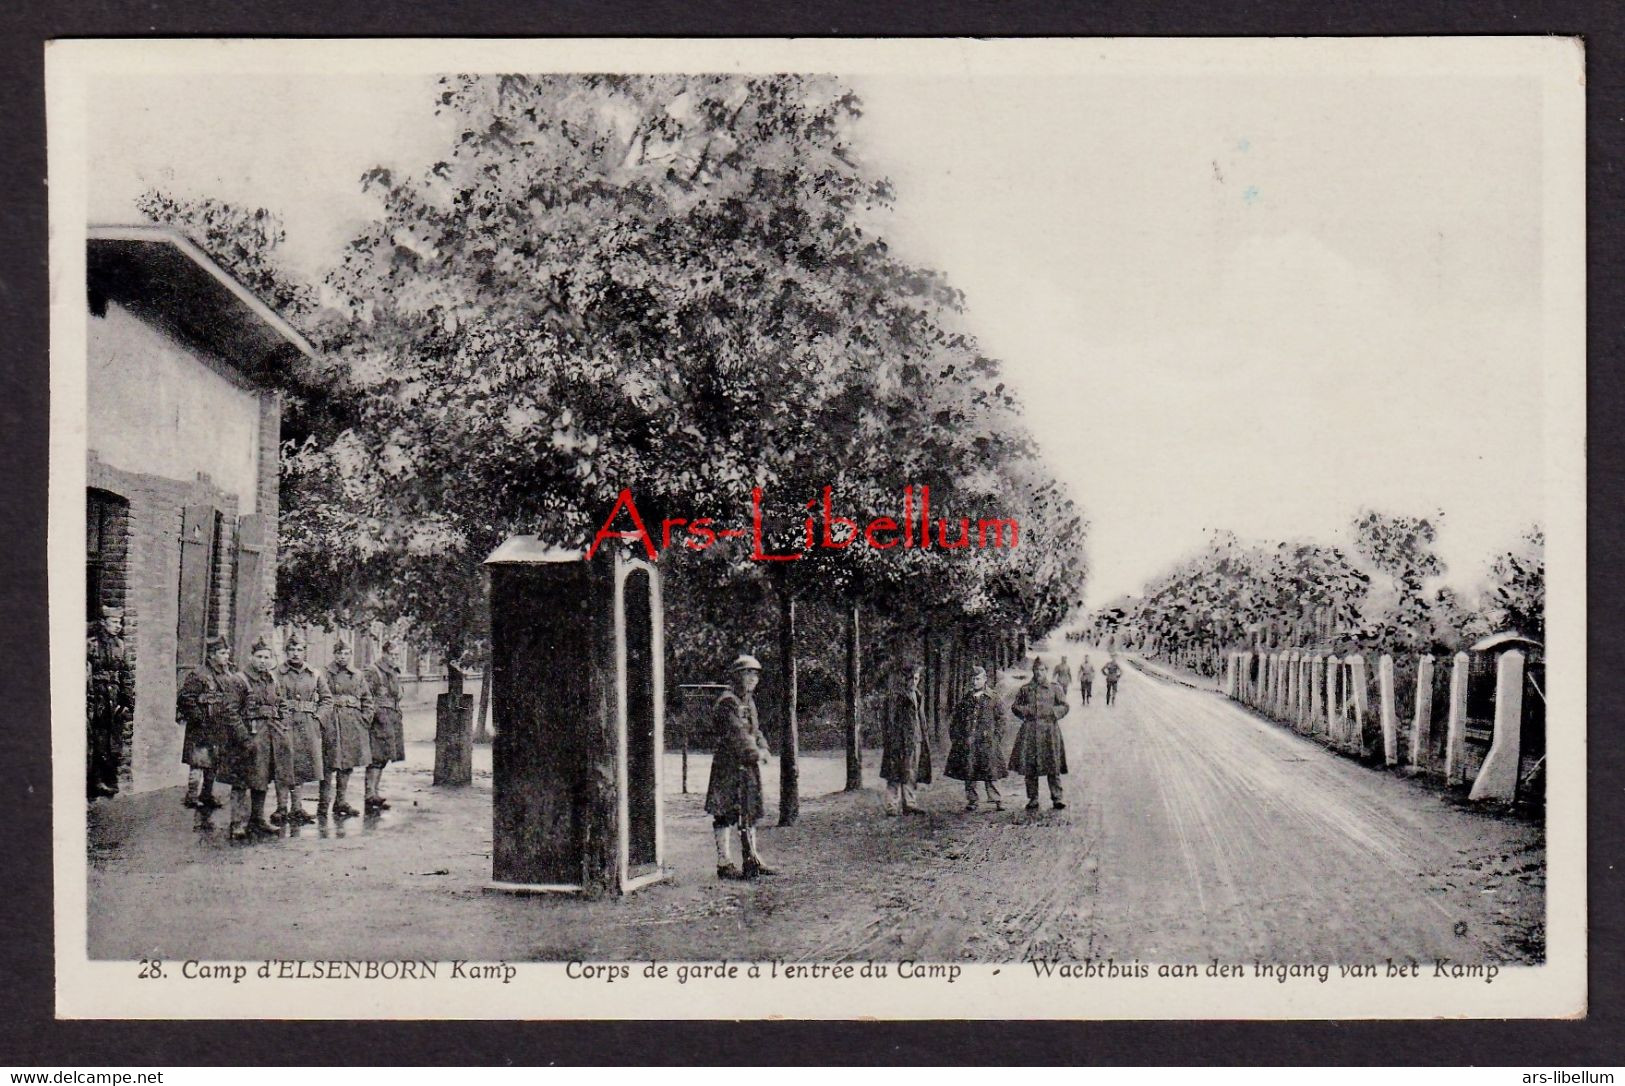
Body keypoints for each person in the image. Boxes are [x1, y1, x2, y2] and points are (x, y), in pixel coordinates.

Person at [703, 654, 775, 880]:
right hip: (729, 766)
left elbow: (755, 731)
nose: (753, 679)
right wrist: (755, 752)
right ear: (736, 677)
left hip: (747, 766)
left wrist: (763, 746)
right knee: (725, 811)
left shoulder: (748, 702)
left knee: (749, 811)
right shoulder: (728, 703)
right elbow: (737, 734)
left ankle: (752, 856)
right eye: (747, 673)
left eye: (755, 674)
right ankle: (724, 862)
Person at [222, 637, 279, 839]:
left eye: (267, 657)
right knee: (241, 780)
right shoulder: (239, 680)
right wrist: (244, 738)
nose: (263, 661)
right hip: (245, 735)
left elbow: (277, 704)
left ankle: (258, 819)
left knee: (262, 777)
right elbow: (230, 712)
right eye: (259, 657)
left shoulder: (271, 679)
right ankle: (237, 822)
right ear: (251, 658)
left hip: (267, 735)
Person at [176, 634, 241, 810]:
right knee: (198, 762)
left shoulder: (228, 674)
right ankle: (191, 796)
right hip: (202, 725)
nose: (226, 656)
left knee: (214, 761)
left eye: (227, 653)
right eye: (222, 653)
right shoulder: (199, 674)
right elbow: (185, 699)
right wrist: (199, 717)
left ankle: (207, 794)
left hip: (219, 725)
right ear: (212, 654)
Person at [273, 633, 329, 826]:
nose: (295, 654)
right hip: (284, 724)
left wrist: (318, 719)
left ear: (304, 652)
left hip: (306, 724)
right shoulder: (275, 673)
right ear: (286, 652)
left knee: (302, 766)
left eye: (299, 650)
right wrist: (277, 719)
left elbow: (327, 700)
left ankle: (297, 808)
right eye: (292, 650)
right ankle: (281, 808)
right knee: (283, 765)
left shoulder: (314, 674)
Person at [321, 639, 373, 820]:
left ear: (350, 655)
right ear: (334, 655)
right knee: (329, 764)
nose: (342, 657)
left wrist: (365, 718)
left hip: (352, 724)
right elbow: (319, 697)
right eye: (339, 653)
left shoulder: (357, 675)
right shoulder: (325, 673)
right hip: (332, 722)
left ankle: (340, 801)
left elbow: (367, 699)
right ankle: (323, 803)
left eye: (346, 653)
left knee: (347, 764)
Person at [945, 663, 1008, 812]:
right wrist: (957, 737)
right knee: (969, 770)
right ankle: (972, 800)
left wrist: (996, 736)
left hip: (987, 742)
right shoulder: (966, 698)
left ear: (985, 679)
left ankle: (997, 799)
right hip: (970, 741)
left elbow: (1002, 719)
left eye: (978, 679)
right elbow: (956, 719)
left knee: (991, 771)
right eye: (973, 679)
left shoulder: (993, 697)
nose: (975, 682)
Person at [1009, 656, 1070, 811]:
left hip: (1050, 731)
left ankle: (1057, 798)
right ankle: (1033, 799)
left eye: (1042, 670)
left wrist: (1054, 712)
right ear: (1033, 671)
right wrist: (1026, 711)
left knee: (1053, 766)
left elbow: (1064, 706)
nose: (1039, 673)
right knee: (1030, 768)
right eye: (1036, 670)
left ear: (1046, 671)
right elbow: (1015, 706)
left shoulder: (1055, 688)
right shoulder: (1025, 689)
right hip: (1030, 731)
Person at [86, 608, 133, 799]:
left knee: (114, 739)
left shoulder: (120, 646)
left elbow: (126, 675)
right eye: (114, 622)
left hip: (113, 696)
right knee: (98, 738)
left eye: (119, 623)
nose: (118, 626)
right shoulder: (92, 644)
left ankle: (110, 778)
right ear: (104, 622)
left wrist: (127, 700)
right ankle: (96, 781)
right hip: (97, 695)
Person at [881, 664, 933, 815]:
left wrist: (923, 737)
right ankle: (892, 806)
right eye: (912, 678)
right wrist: (892, 740)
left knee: (911, 773)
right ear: (906, 679)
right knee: (895, 772)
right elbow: (889, 721)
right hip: (899, 742)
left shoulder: (917, 695)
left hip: (915, 740)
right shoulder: (896, 697)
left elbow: (920, 719)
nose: (915, 682)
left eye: (917, 678)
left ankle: (909, 804)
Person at [364, 641, 408, 811]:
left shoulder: (394, 672)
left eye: (397, 655)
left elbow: (397, 694)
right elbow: (366, 696)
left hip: (393, 719)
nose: (394, 658)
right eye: (392, 655)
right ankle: (369, 795)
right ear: (383, 653)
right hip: (379, 720)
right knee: (376, 757)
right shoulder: (373, 671)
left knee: (384, 758)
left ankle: (375, 792)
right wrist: (375, 714)